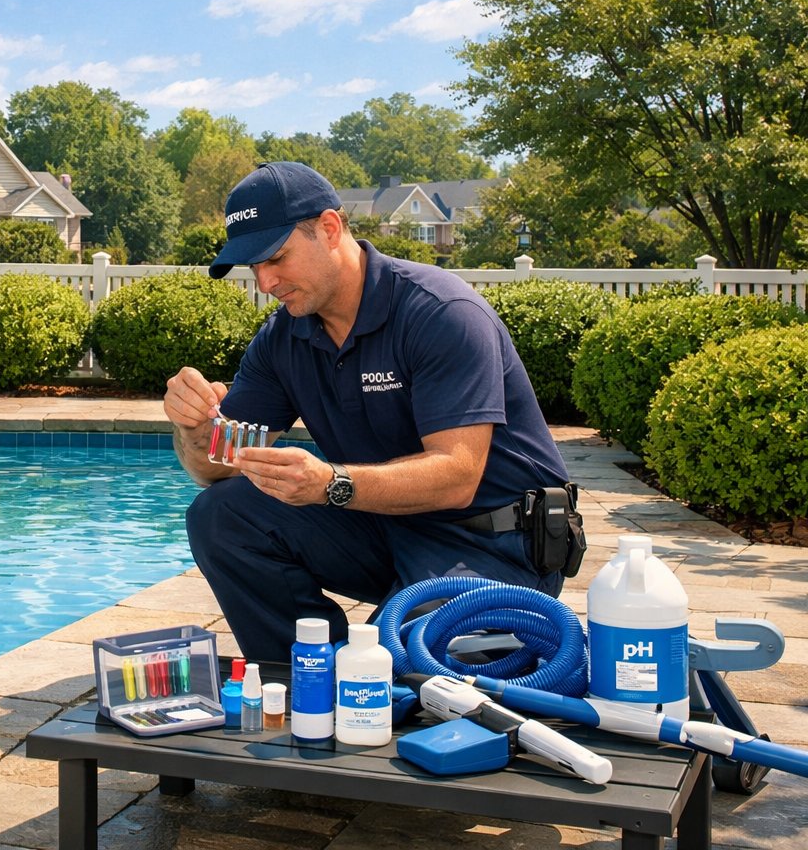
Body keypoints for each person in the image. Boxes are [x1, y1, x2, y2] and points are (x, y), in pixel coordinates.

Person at [164, 161, 569, 664]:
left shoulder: (441, 312)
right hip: (383, 526)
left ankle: (380, 667)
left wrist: (328, 482)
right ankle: (297, 673)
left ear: (330, 229)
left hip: (493, 541)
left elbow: (458, 475)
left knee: (400, 670)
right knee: (221, 514)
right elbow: (215, 469)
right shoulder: (283, 337)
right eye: (253, 267)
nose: (265, 281)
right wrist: (194, 428)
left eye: (276, 257)